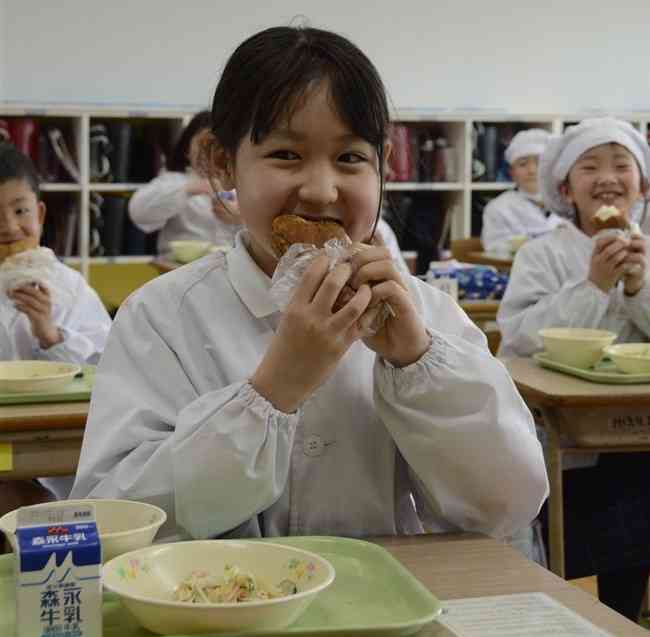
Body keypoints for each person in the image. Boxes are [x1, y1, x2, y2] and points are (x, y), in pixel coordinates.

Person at [71, 26, 547, 546]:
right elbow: (115, 519)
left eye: (350, 158)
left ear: (382, 167)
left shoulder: (427, 314)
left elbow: (510, 503)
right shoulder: (162, 316)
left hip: (389, 608)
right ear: (223, 163)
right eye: (285, 155)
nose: (321, 191)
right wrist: (275, 388)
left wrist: (416, 362)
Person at [497, 117, 650, 621]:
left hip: (640, 433)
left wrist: (638, 288)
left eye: (621, 165)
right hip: (570, 440)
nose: (607, 176)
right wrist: (593, 286)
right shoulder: (542, 254)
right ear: (566, 187)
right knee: (583, 535)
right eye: (590, 166)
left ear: (642, 184)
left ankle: (627, 614)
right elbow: (519, 336)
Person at [0, 143, 111, 508]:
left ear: (41, 214)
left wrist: (50, 334)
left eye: (20, 211)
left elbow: (107, 367)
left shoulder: (70, 287)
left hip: (55, 438)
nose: (11, 228)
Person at [128, 110, 241, 255]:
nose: (209, 153)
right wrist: (189, 189)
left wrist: (241, 219)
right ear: (187, 148)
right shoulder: (174, 179)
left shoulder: (243, 181)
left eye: (218, 146)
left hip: (229, 268)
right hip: (179, 268)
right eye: (203, 145)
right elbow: (138, 212)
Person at [481, 128, 563, 254]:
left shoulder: (568, 202)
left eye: (539, 162)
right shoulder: (498, 208)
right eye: (523, 164)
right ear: (512, 172)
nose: (532, 170)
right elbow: (494, 249)